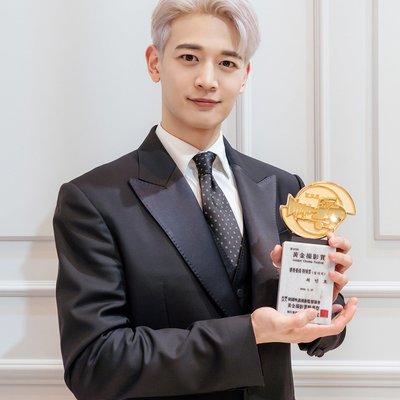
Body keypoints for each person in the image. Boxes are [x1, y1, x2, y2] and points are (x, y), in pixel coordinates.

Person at [53, 1, 358, 399]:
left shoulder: (282, 187)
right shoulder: (94, 201)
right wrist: (250, 332)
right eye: (189, 58)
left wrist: (322, 301)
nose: (207, 80)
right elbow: (95, 364)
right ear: (155, 63)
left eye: (227, 63)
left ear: (244, 76)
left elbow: (317, 335)